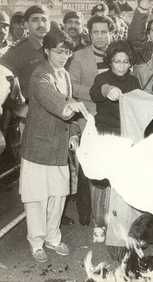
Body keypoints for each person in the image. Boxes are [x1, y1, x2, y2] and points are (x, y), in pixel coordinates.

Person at [19, 28, 89, 263]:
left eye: (67, 52)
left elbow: (67, 100)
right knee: (36, 198)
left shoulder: (64, 74)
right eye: (58, 52)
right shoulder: (40, 75)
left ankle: (53, 237)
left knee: (58, 195)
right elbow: (53, 100)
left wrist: (72, 133)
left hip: (59, 146)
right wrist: (72, 107)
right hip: (38, 148)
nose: (63, 57)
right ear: (47, 50)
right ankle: (36, 242)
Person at [89, 40, 141, 261]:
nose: (121, 65)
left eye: (125, 61)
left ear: (130, 64)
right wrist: (107, 90)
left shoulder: (134, 80)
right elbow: (95, 93)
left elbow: (138, 105)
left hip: (125, 137)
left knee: (120, 185)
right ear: (110, 61)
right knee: (101, 183)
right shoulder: (102, 78)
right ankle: (99, 223)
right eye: (117, 61)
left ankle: (118, 225)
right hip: (105, 136)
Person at [68, 15, 114, 226]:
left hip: (113, 119)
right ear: (89, 33)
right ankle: (85, 212)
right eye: (96, 32)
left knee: (110, 164)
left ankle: (108, 211)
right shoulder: (79, 56)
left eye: (104, 32)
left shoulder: (118, 54)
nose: (100, 36)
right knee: (87, 167)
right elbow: (72, 87)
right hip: (90, 119)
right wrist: (97, 93)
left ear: (110, 33)